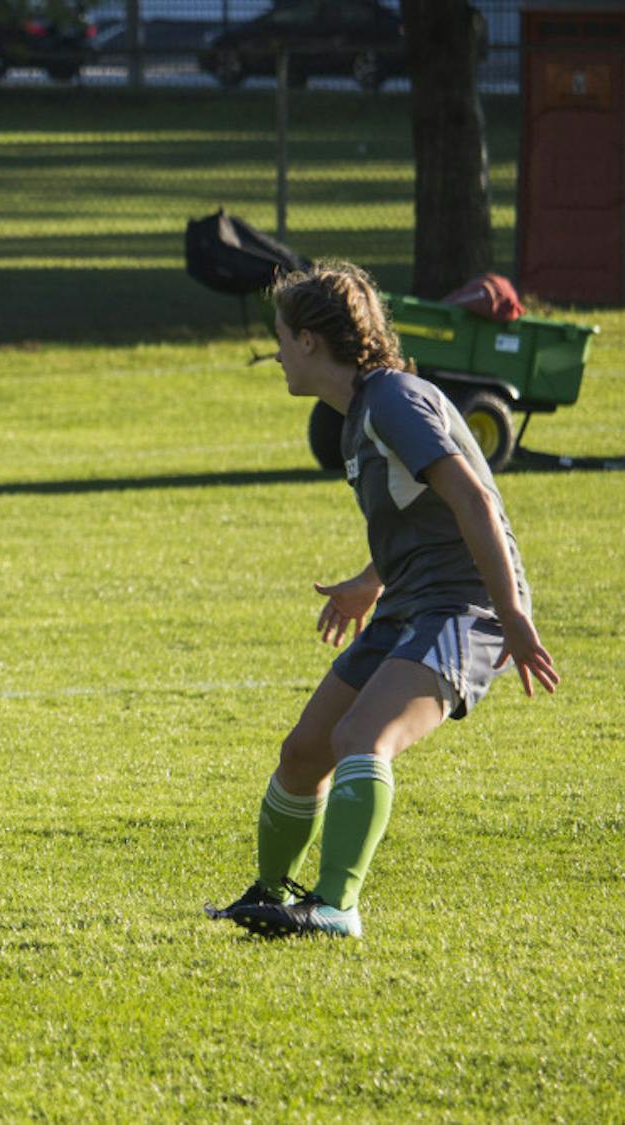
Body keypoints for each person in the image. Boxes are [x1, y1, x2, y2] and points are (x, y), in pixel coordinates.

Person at [206, 260, 558, 939]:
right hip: (408, 604)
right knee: (305, 750)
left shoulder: (392, 400)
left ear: (310, 340)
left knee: (364, 738)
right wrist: (371, 579)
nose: (276, 353)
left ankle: (336, 907)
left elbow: (474, 498)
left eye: (281, 336)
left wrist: (512, 616)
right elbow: (422, 511)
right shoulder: (360, 412)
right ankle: (270, 893)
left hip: (466, 607)